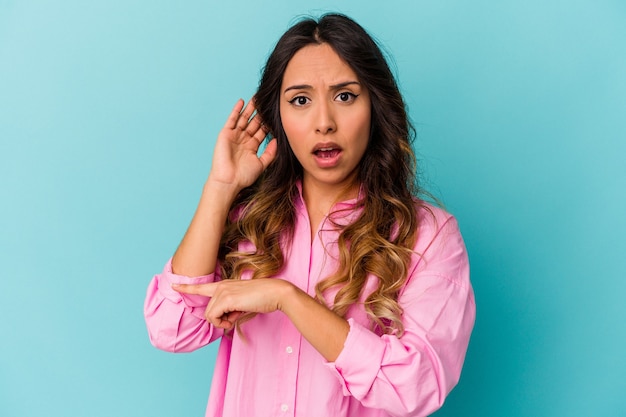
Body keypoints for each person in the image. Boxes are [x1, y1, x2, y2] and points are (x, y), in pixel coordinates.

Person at [144, 13, 475, 417]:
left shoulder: (428, 236)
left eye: (345, 96)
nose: (324, 123)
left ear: (375, 106)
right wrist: (220, 188)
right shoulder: (248, 222)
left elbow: (415, 387)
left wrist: (287, 298)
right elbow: (172, 328)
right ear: (278, 117)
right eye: (300, 100)